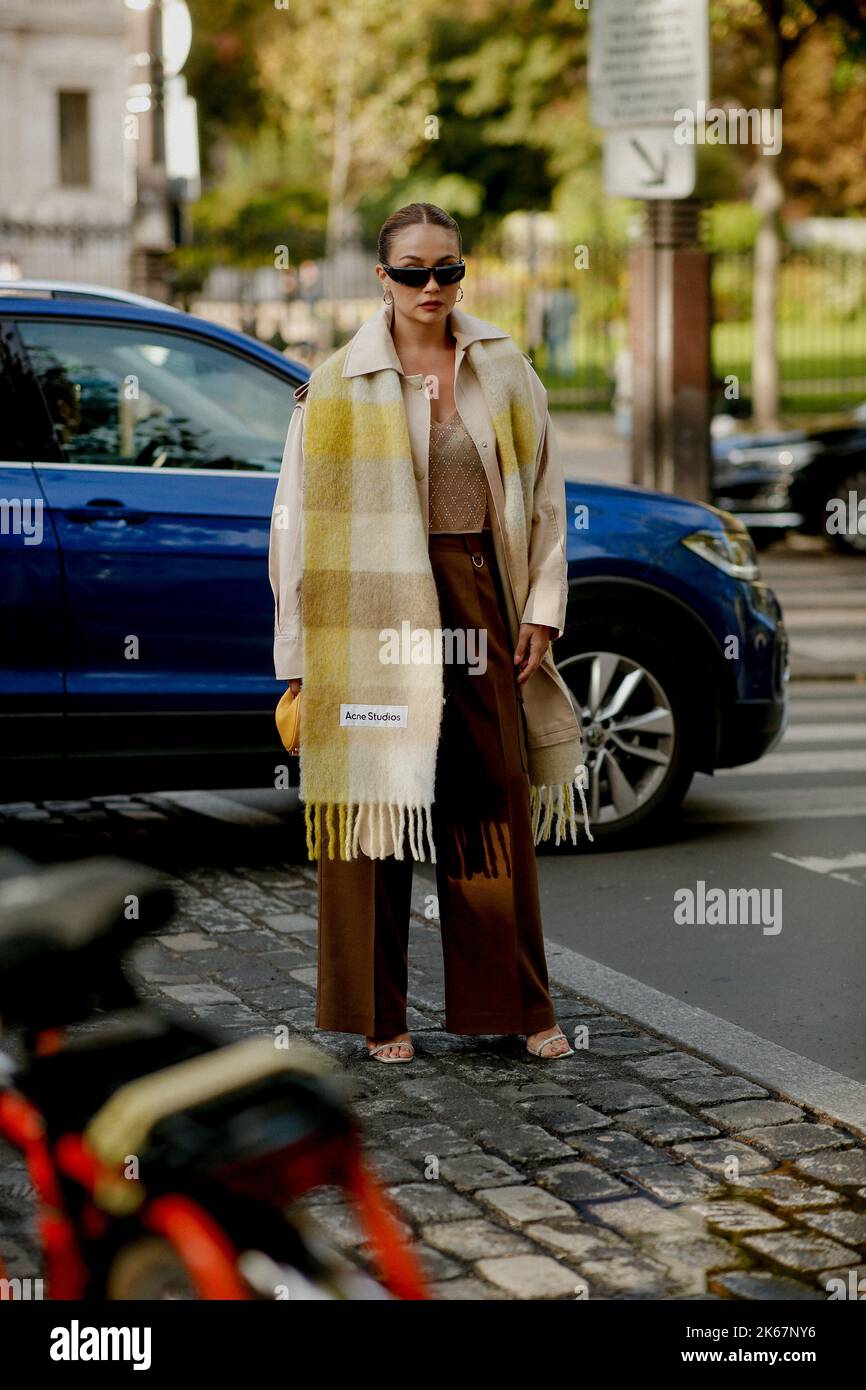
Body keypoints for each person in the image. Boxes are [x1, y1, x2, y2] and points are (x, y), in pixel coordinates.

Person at [268, 202, 590, 1066]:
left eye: (446, 269)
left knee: (491, 801)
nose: (431, 286)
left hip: (480, 597)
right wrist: (297, 662)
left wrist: (543, 608)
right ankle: (380, 1017)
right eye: (412, 271)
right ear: (382, 277)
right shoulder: (336, 384)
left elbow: (546, 494)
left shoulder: (503, 367)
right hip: (367, 620)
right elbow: (293, 531)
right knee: (374, 806)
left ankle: (516, 1006)